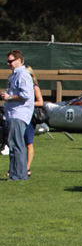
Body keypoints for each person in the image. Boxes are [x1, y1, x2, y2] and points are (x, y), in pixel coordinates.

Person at [3, 50, 34, 181]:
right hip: (13, 114)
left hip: (18, 114)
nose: (8, 63)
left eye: (11, 61)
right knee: (15, 144)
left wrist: (9, 97)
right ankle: (17, 173)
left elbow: (26, 95)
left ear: (19, 60)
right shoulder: (15, 75)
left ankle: (18, 175)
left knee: (16, 145)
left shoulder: (23, 74)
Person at [26, 67, 44, 176]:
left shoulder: (34, 87)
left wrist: (27, 103)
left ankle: (27, 168)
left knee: (29, 143)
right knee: (17, 143)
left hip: (30, 117)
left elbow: (40, 102)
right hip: (20, 116)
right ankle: (14, 168)